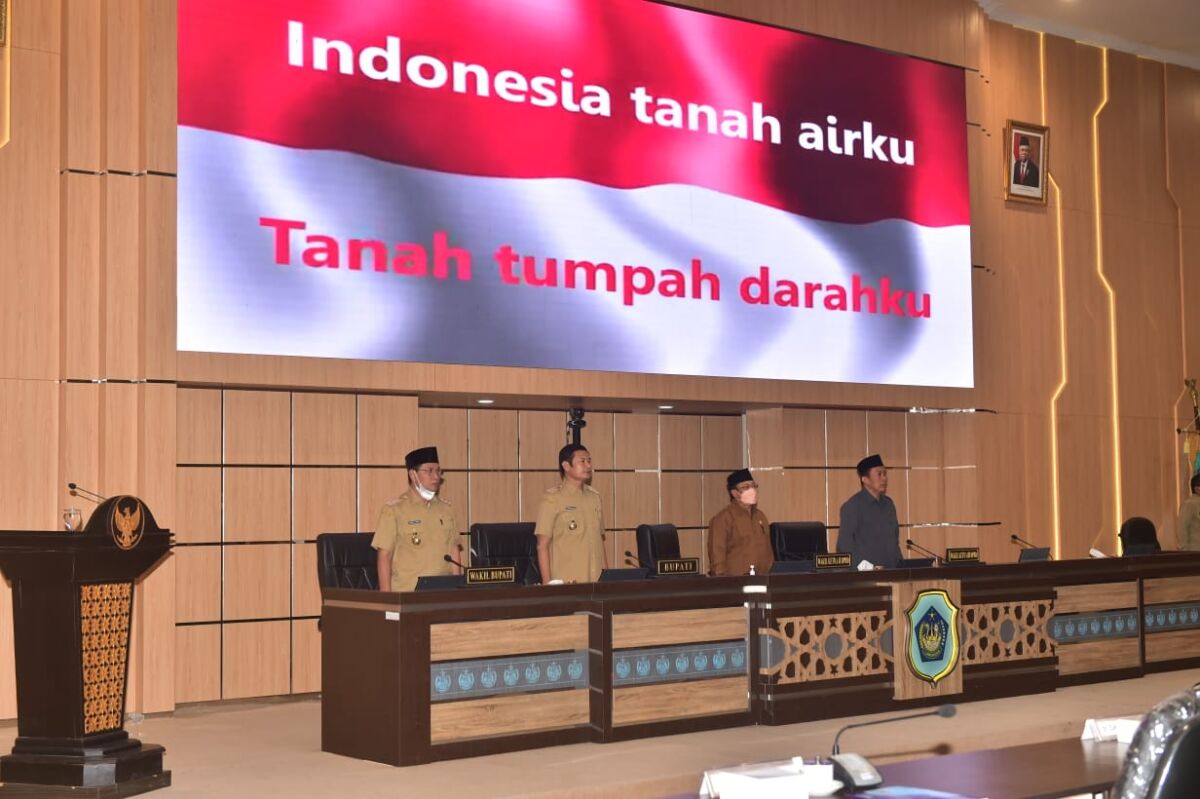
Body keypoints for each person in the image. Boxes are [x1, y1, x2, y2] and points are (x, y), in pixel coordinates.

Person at [371, 446, 460, 591]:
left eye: (438, 471)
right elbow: (384, 556)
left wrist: (457, 591)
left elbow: (454, 551)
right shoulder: (394, 511)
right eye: (429, 471)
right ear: (413, 475)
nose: (436, 477)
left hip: (444, 593)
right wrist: (387, 599)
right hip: (409, 595)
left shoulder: (446, 509)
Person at [535, 443, 606, 583]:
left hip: (596, 583)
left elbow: (600, 541)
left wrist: (606, 579)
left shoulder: (594, 497)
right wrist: (547, 585)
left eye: (589, 461)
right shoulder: (552, 499)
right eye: (582, 461)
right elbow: (542, 546)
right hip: (567, 584)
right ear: (566, 466)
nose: (588, 465)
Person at [837, 454, 902, 569]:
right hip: (866, 575)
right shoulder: (852, 507)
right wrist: (868, 568)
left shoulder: (889, 505)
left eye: (885, 473)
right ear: (865, 479)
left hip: (892, 572)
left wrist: (901, 566)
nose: (884, 478)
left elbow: (894, 541)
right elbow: (844, 547)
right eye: (879, 474)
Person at [708, 468, 774, 576]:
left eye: (753, 486)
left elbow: (768, 552)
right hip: (736, 582)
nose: (752, 490)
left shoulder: (760, 516)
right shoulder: (722, 519)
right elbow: (717, 561)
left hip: (763, 580)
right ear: (735, 493)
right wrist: (724, 582)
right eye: (746, 487)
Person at [1178, 473, 1200, 551]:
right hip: (1195, 553)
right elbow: (1182, 529)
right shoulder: (1189, 504)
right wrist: (1184, 552)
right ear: (1197, 489)